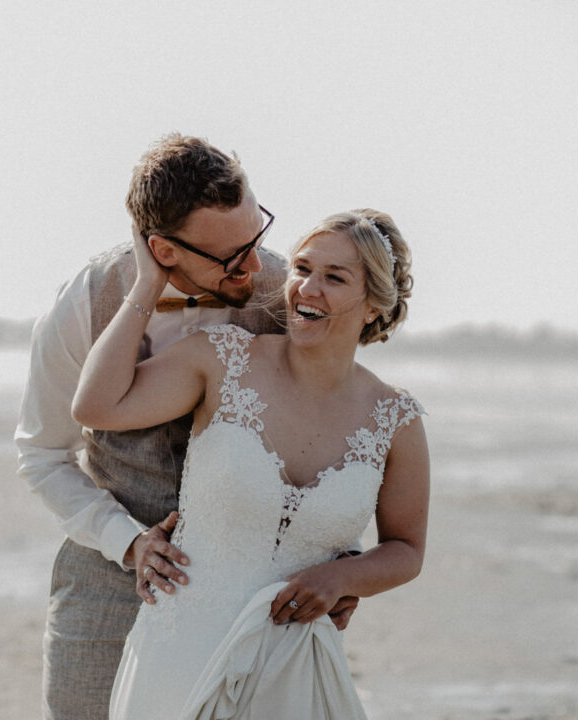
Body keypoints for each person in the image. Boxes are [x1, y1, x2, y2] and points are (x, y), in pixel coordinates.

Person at [15, 134, 357, 720]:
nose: (253, 266)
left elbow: (328, 430)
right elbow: (42, 456)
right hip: (106, 585)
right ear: (162, 250)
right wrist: (127, 542)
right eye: (229, 256)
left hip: (253, 592)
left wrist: (338, 555)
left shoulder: (287, 295)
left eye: (257, 237)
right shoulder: (83, 305)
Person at [72, 209, 430, 719]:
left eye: (334, 277)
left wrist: (340, 581)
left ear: (373, 305)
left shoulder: (395, 419)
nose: (307, 288)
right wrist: (149, 283)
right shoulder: (221, 360)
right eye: (303, 268)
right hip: (180, 654)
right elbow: (96, 406)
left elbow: (406, 549)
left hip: (292, 670)